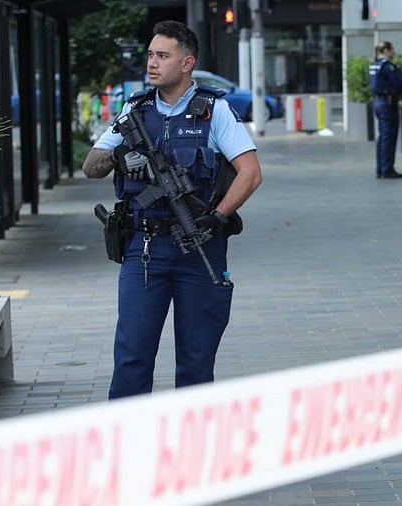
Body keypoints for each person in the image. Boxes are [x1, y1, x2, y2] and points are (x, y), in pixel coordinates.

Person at [82, 20, 262, 399]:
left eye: (162, 55)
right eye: (150, 54)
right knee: (132, 357)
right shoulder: (135, 110)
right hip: (144, 249)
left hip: (199, 245)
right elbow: (90, 167)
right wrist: (119, 154)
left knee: (196, 362)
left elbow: (250, 173)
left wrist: (218, 216)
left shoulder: (214, 111)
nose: (152, 62)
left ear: (186, 63)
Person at [369, 41, 402, 179]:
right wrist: (399, 71)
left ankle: (381, 167)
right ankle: (387, 168)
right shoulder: (387, 66)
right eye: (392, 49)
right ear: (386, 50)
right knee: (389, 136)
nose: (393, 52)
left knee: (383, 137)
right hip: (388, 103)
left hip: (378, 102)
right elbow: (398, 82)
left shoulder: (374, 65)